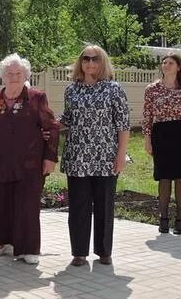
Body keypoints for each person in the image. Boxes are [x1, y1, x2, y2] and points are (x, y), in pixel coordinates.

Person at [59, 45, 130, 266]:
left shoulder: (114, 89)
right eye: (86, 59)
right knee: (78, 206)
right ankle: (79, 253)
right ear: (80, 62)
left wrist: (121, 155)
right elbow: (67, 119)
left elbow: (123, 125)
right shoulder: (71, 90)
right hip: (77, 156)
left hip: (105, 157)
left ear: (103, 62)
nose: (90, 63)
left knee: (104, 206)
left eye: (95, 59)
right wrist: (44, 124)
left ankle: (104, 252)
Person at [0, 54, 60, 265]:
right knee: (1, 203)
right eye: (9, 73)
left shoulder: (36, 98)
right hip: (1, 161)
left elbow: (52, 127)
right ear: (2, 76)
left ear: (25, 75)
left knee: (27, 205)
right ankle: (2, 243)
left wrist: (50, 157)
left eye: (18, 73)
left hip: (30, 163)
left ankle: (28, 249)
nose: (14, 77)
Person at [142, 53, 181, 235]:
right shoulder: (152, 89)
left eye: (171, 62)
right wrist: (147, 139)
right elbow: (147, 116)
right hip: (161, 134)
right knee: (163, 177)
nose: (166, 65)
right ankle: (163, 218)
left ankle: (180, 218)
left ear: (179, 67)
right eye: (164, 62)